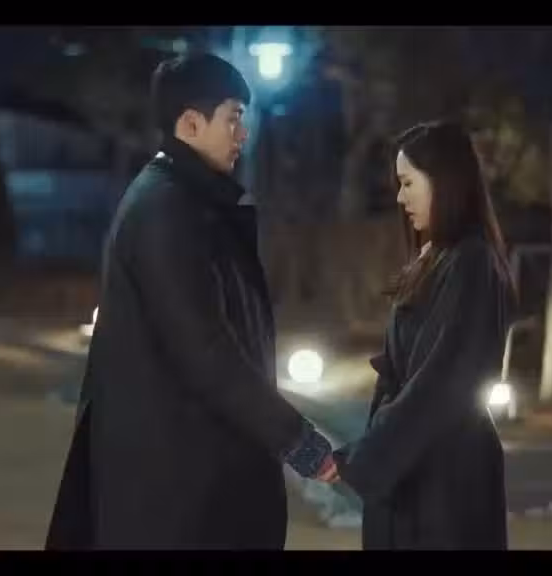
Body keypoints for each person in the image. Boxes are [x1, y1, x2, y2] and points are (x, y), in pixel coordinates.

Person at [44, 52, 337, 551]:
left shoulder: (186, 202)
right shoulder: (165, 209)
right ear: (191, 124)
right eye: (233, 118)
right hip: (177, 493)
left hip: (190, 480)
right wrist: (298, 441)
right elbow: (205, 349)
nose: (242, 134)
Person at [332, 120, 517, 550]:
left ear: (444, 182)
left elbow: (443, 380)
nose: (400, 198)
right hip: (416, 471)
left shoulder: (471, 263)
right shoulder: (436, 257)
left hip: (446, 482)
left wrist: (366, 458)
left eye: (408, 183)